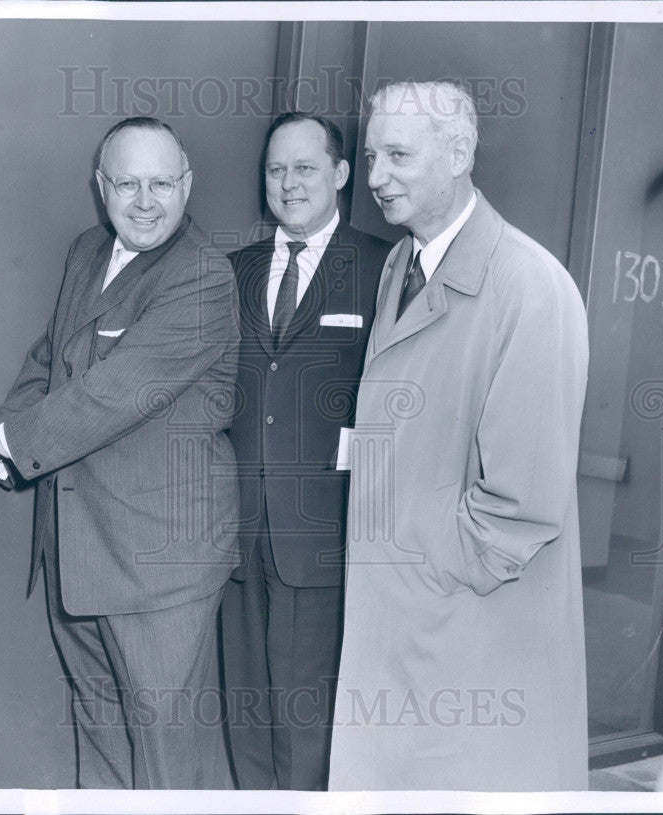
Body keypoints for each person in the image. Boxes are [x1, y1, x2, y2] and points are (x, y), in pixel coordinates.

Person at [0, 117, 240, 790]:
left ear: (188, 184)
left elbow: (110, 394)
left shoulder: (203, 277)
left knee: (164, 765)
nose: (145, 200)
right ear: (101, 187)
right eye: (127, 182)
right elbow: (50, 367)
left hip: (159, 567)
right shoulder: (87, 251)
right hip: (81, 552)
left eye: (161, 183)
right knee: (100, 742)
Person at [327, 81, 590, 791]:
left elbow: (520, 508)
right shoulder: (400, 264)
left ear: (460, 153)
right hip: (403, 625)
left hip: (467, 636)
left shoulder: (533, 289)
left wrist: (424, 559)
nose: (375, 177)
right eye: (372, 153)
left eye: (398, 155)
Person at [220, 112, 390, 790]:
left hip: (324, 534)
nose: (288, 184)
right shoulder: (234, 271)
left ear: (342, 174)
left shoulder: (384, 266)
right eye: (275, 170)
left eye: (305, 168)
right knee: (244, 711)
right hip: (237, 533)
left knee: (306, 718)